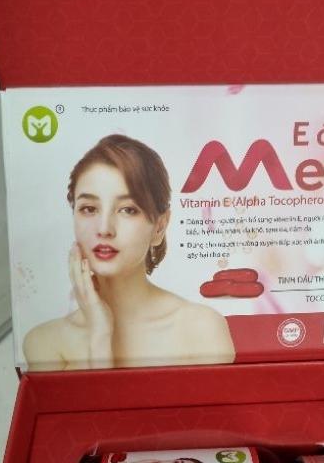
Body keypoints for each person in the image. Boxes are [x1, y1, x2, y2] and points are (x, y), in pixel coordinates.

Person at [23, 134, 235, 370]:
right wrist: (99, 336)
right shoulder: (45, 343)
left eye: (127, 210)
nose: (104, 229)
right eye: (89, 209)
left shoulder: (202, 330)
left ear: (159, 226)